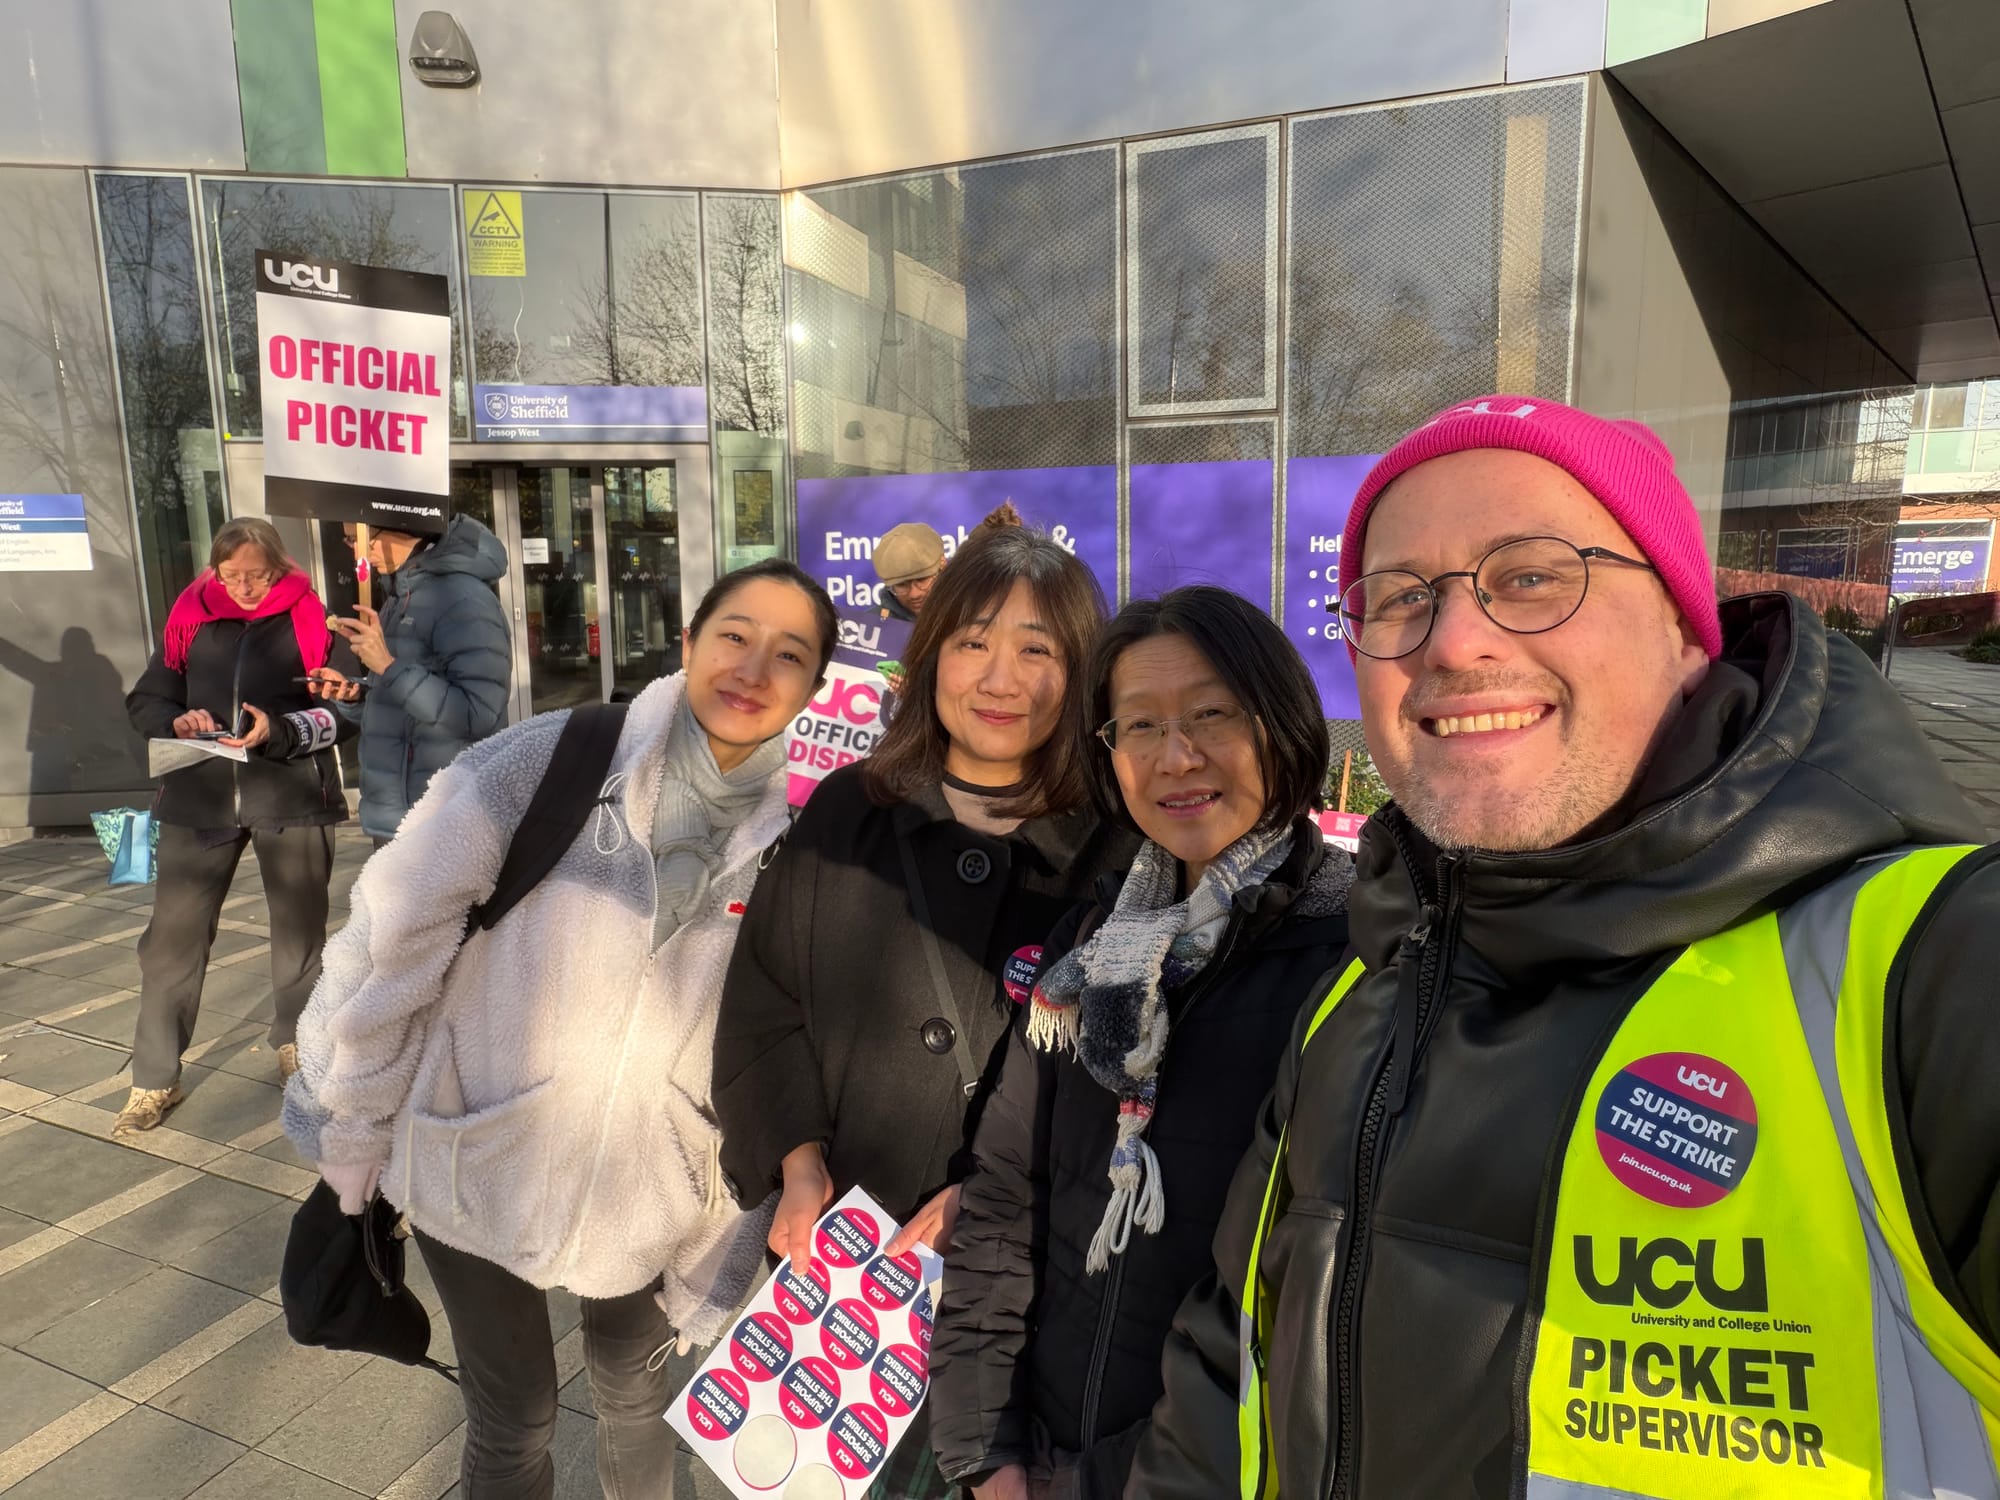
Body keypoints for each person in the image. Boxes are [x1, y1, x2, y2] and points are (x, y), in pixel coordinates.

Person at [1129, 396, 1999, 1499]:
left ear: (1685, 627)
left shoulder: (1930, 969)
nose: (1453, 641)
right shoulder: (1357, 990)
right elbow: (1224, 1376)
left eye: (1532, 576)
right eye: (1401, 598)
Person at [283, 558, 840, 1500]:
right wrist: (353, 1121)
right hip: (474, 1150)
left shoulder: (803, 838)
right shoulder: (552, 758)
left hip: (652, 1188)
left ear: (815, 687)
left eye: (789, 654)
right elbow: (391, 937)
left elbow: (789, 1031)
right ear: (689, 641)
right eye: (735, 636)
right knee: (515, 1417)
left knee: (637, 1396)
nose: (753, 669)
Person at [714, 520, 1137, 1499]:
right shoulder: (847, 814)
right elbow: (766, 996)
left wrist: (1005, 1197)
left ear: (1080, 673)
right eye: (973, 641)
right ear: (931, 650)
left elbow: (1136, 1081)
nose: (999, 678)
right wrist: (796, 1161)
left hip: (1022, 1293)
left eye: (1037, 650)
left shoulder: (1120, 852)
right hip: (842, 1281)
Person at [931, 586, 1353, 1500]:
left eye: (1212, 715)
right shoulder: (1090, 952)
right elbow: (1005, 1192)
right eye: (1140, 726)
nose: (1176, 756)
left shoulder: (1355, 963)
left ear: (1282, 723)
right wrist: (984, 1446)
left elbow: (1313, 1308)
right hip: (1034, 1452)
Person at [117, 518, 354, 1134]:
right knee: (172, 940)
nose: (245, 588)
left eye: (258, 576)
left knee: (300, 936)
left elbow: (347, 710)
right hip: (199, 797)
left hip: (292, 792)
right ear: (214, 570)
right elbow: (146, 700)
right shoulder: (188, 621)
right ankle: (154, 1078)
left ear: (280, 566)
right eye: (232, 576)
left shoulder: (315, 621)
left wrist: (282, 729)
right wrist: (175, 721)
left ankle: (297, 1043)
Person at [306, 515, 511, 846]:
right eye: (349, 540)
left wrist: (388, 667)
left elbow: (478, 714)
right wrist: (355, 695)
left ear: (405, 527)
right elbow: (401, 705)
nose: (357, 551)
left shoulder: (464, 600)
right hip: (396, 814)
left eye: (363, 537)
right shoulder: (401, 594)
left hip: (442, 816)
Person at [874, 520, 947, 623]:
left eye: (921, 580)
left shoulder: (966, 616)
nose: (914, 594)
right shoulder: (871, 627)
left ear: (943, 567)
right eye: (902, 585)